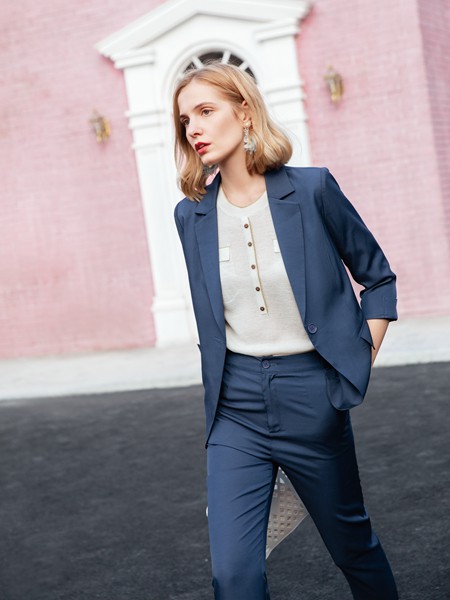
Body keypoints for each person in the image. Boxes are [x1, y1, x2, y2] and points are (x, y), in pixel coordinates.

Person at [172, 62, 398, 600]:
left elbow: (378, 279)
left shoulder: (312, 189)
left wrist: (355, 361)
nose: (194, 128)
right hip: (234, 405)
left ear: (245, 112)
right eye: (185, 120)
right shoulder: (190, 215)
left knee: (352, 547)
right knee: (234, 576)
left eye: (206, 111)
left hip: (311, 394)